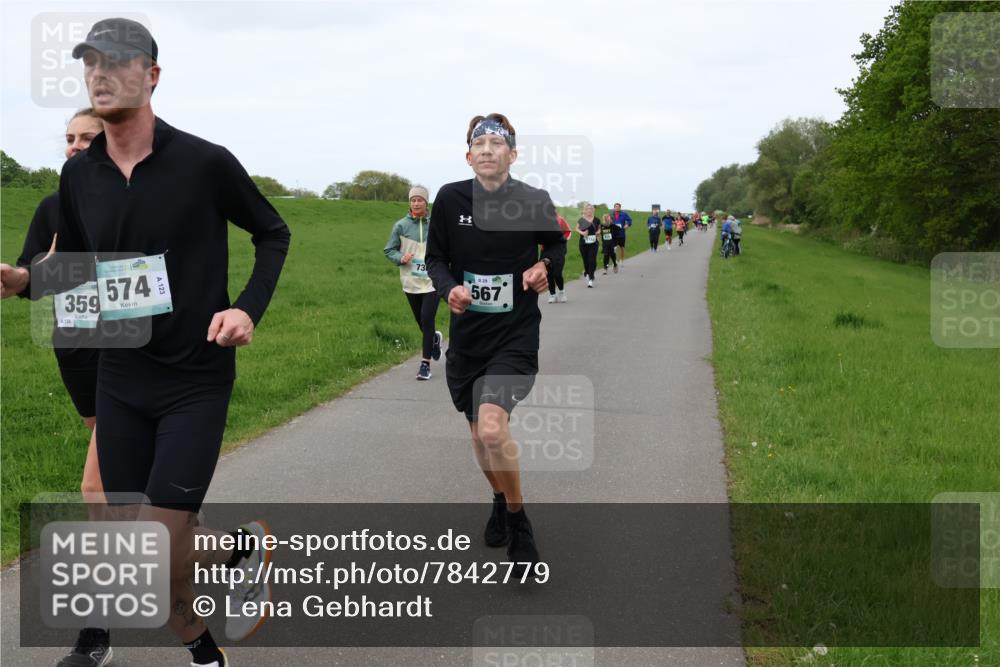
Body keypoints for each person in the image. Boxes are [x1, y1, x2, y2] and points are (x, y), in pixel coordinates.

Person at [1, 19, 291, 667]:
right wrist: (24, 280)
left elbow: (273, 233)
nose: (99, 74)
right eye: (90, 63)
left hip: (194, 381)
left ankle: (237, 555)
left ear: (152, 75)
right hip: (121, 380)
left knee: (154, 548)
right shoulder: (80, 177)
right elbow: (75, 264)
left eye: (116, 61)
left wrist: (247, 308)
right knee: (141, 547)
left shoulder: (204, 162)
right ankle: (206, 644)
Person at [425, 112, 565, 573]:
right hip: (469, 338)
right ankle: (500, 498)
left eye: (496, 143)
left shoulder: (533, 200)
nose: (487, 149)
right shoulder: (449, 199)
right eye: (479, 144)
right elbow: (435, 258)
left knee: (490, 427)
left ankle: (519, 521)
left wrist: (545, 267)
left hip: (515, 334)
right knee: (479, 436)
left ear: (513, 154)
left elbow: (555, 245)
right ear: (468, 156)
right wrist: (449, 289)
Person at [5, 108, 113, 666]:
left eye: (87, 138)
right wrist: (19, 278)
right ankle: (233, 551)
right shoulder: (52, 207)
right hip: (76, 355)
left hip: (133, 356)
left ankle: (95, 634)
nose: (73, 147)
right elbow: (32, 277)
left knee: (98, 492)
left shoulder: (136, 204)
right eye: (69, 138)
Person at [384, 185, 442, 379]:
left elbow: (447, 245)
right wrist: (401, 258)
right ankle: (434, 339)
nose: (416, 203)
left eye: (420, 200)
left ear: (426, 202)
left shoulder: (436, 224)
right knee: (420, 321)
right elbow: (389, 250)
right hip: (411, 280)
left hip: (433, 280)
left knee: (427, 319)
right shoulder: (401, 226)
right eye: (413, 200)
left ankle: (425, 365)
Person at [546, 213, 571, 303]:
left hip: (559, 250)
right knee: (548, 274)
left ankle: (561, 291)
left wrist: (563, 239)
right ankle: (552, 294)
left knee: (557, 273)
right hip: (546, 250)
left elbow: (568, 232)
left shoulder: (560, 219)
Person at [576, 203, 599, 288]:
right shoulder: (581, 220)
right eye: (587, 209)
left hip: (593, 243)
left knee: (592, 260)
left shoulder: (596, 220)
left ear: (593, 210)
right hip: (583, 243)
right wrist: (582, 233)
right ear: (585, 210)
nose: (589, 210)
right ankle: (587, 272)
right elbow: (576, 228)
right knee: (586, 261)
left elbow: (599, 229)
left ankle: (590, 278)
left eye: (591, 209)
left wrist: (597, 233)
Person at [610, 202, 631, 268]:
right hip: (614, 234)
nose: (617, 208)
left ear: (620, 208)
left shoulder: (624, 214)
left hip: (621, 234)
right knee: (614, 248)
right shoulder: (611, 214)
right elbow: (607, 221)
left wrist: (627, 225)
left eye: (618, 207)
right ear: (614, 208)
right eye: (615, 207)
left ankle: (622, 261)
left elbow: (630, 220)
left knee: (621, 248)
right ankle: (616, 261)